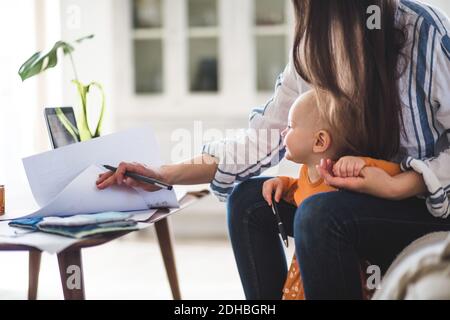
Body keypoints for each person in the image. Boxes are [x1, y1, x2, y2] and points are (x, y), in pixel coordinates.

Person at [96, 0, 450, 299]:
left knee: (319, 215)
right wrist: (165, 174)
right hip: (349, 197)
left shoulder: (425, 34)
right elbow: (260, 139)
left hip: (421, 206)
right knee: (249, 201)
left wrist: (400, 184)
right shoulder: (316, 47)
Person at [260, 90, 402, 299]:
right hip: (304, 273)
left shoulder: (342, 172)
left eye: (290, 126)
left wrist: (364, 163)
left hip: (335, 273)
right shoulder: (306, 174)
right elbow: (304, 190)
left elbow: (396, 170)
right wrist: (283, 183)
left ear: (319, 141)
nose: (283, 132)